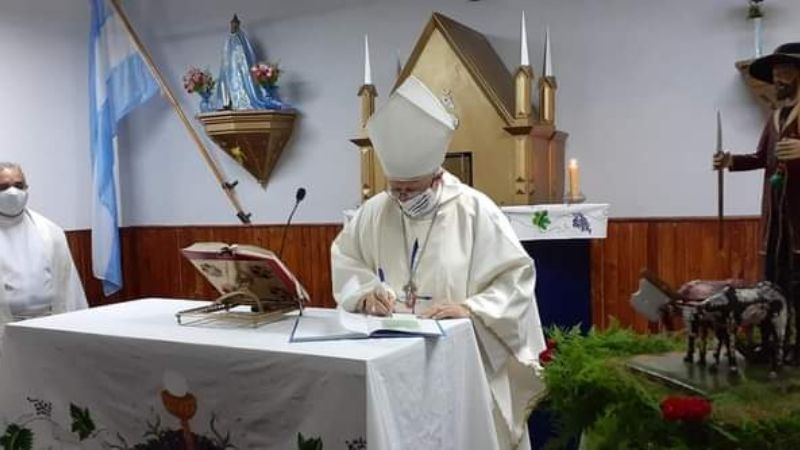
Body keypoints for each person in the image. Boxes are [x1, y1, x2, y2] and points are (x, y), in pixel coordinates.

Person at [331, 77, 546, 449]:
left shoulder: (476, 211)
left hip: (463, 365)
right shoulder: (375, 211)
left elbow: (516, 279)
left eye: (410, 189)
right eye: (394, 188)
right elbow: (346, 257)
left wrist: (471, 309)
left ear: (435, 176)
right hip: (393, 360)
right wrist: (365, 292)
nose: (401, 197)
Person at [714, 43, 800, 360]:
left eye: (786, 72)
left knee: (798, 284)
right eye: (776, 74)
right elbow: (761, 158)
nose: (779, 79)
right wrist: (730, 161)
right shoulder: (776, 117)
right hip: (776, 219)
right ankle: (773, 342)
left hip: (798, 218)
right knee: (773, 281)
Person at [0, 162, 87, 343]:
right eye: (3, 187)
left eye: (18, 185)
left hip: (50, 324)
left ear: (26, 188)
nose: (13, 192)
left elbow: (70, 285)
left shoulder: (51, 231)